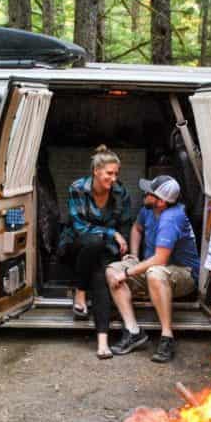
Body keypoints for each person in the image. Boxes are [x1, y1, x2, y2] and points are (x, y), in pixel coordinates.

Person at [106, 175, 199, 363]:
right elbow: (137, 228)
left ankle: (167, 337)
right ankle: (134, 331)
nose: (144, 193)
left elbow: (160, 259)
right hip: (153, 268)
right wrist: (133, 256)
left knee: (154, 273)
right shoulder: (148, 209)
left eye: (149, 192)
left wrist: (126, 273)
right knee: (111, 271)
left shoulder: (171, 218)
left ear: (161, 202)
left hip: (183, 273)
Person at [57, 145, 134, 359]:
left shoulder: (120, 192)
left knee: (102, 277)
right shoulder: (78, 188)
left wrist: (126, 250)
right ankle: (80, 291)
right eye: (109, 173)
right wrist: (111, 233)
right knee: (95, 242)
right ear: (96, 171)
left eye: (116, 173)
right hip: (76, 245)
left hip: (104, 250)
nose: (114, 178)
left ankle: (102, 342)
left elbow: (126, 224)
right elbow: (79, 226)